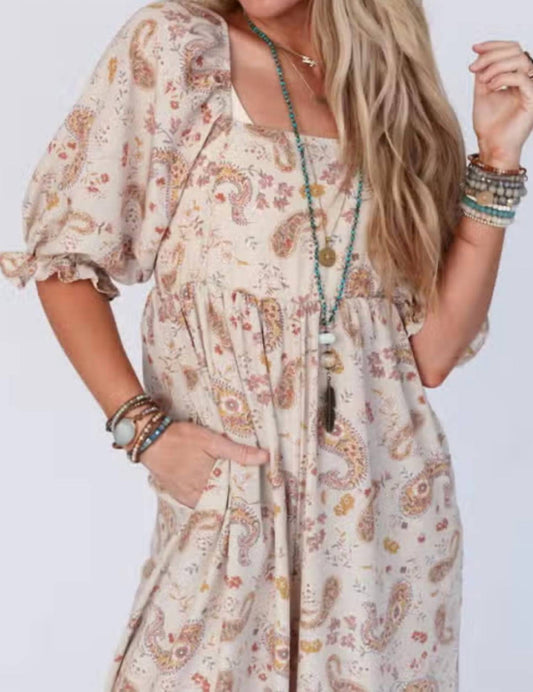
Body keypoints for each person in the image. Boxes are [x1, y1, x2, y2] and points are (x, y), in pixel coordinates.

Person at [1, 0, 532, 688]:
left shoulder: (392, 99)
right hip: (232, 513)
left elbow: (428, 354)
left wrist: (498, 157)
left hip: (386, 537)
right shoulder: (179, 50)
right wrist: (143, 430)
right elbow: (65, 259)